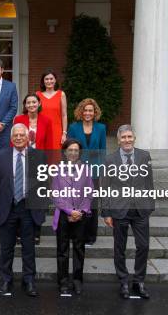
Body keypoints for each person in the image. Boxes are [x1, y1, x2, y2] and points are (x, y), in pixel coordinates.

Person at [0, 124, 47, 298]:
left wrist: (42, 209)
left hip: (29, 209)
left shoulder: (39, 156)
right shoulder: (1, 156)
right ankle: (6, 280)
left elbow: (44, 185)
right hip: (7, 208)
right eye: (15, 135)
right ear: (11, 138)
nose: (18, 138)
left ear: (28, 137)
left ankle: (29, 280)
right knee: (6, 248)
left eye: (22, 135)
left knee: (28, 247)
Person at [101, 124, 154, 300]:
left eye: (130, 137)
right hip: (119, 210)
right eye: (123, 137)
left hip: (140, 210)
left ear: (134, 138)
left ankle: (139, 281)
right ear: (118, 140)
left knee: (143, 246)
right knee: (119, 248)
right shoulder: (109, 160)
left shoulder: (144, 156)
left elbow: (148, 182)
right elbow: (105, 188)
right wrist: (106, 212)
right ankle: (123, 281)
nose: (127, 140)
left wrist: (150, 205)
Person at [51, 139, 93, 296]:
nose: (73, 153)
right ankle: (62, 282)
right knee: (62, 250)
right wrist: (69, 211)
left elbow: (89, 192)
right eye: (70, 150)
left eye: (76, 150)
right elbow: (55, 194)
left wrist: (80, 211)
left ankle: (77, 280)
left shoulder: (86, 169)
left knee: (79, 249)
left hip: (80, 216)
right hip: (63, 215)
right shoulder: (57, 169)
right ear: (64, 152)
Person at [12, 93, 53, 245]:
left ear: (39, 103)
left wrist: (48, 166)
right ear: (25, 105)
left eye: (33, 102)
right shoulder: (18, 119)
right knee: (20, 196)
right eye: (28, 102)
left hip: (39, 162)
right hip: (21, 160)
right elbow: (14, 139)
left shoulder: (46, 120)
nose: (31, 105)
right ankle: (18, 232)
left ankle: (36, 231)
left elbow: (49, 144)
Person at [67, 98, 107, 245]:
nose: (88, 113)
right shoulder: (74, 127)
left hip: (94, 172)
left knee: (92, 204)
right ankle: (76, 234)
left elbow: (103, 150)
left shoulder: (101, 128)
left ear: (95, 112)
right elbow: (70, 150)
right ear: (81, 112)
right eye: (85, 110)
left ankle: (90, 236)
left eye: (91, 110)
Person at [36, 69, 68, 150]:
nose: (49, 81)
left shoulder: (61, 94)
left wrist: (64, 133)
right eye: (46, 79)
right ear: (43, 81)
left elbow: (64, 115)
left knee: (56, 156)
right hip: (41, 129)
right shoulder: (37, 95)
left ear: (55, 80)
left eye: (51, 79)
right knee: (41, 155)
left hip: (56, 131)